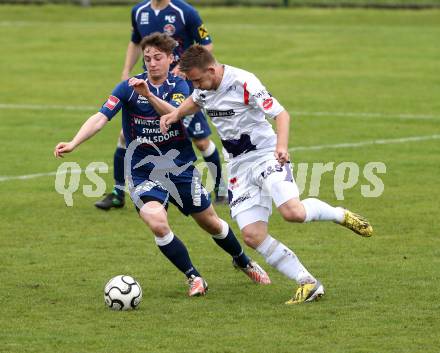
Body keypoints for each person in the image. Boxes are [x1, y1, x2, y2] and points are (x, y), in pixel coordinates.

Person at [54, 33, 270, 297]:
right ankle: (193, 276)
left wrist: (148, 96)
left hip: (180, 168)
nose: (152, 63)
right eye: (147, 59)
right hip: (142, 170)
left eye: (158, 58)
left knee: (211, 223)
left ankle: (242, 260)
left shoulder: (182, 86)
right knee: (157, 223)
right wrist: (74, 142)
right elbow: (100, 117)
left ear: (170, 59)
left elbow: (173, 113)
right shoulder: (127, 88)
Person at [160, 45, 374, 304]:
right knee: (252, 235)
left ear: (211, 70)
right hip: (238, 167)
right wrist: (175, 114)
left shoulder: (243, 81)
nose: (195, 85)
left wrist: (281, 146)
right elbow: (195, 101)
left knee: (293, 213)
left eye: (197, 79)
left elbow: (281, 114)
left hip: (266, 155)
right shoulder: (203, 88)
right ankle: (308, 283)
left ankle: (340, 214)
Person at [95, 0, 226, 211]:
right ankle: (119, 192)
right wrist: (125, 71)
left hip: (179, 88)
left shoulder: (186, 12)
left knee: (201, 141)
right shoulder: (138, 11)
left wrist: (186, 67)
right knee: (124, 136)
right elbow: (135, 42)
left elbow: (206, 44)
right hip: (148, 86)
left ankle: (220, 187)